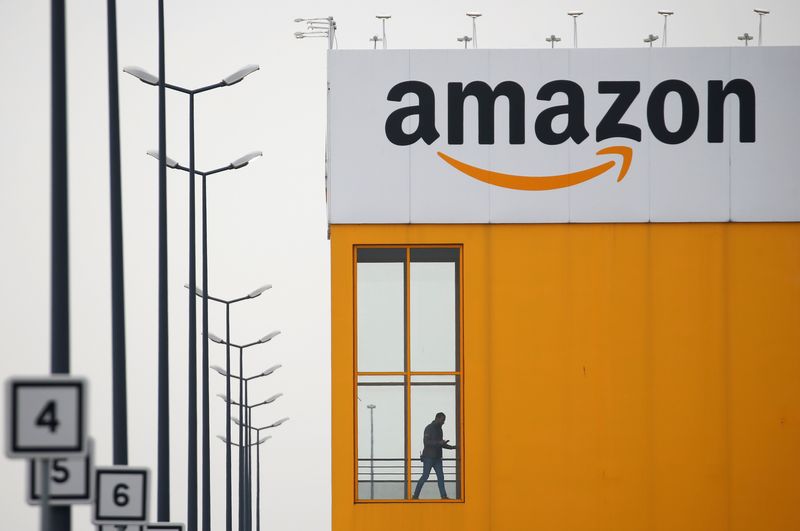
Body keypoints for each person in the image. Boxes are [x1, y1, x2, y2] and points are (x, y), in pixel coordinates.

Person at [412, 412, 456, 499]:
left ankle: (443, 496)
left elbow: (440, 444)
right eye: (442, 420)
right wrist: (439, 443)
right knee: (425, 476)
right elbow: (426, 442)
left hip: (437, 458)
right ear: (437, 418)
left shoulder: (439, 429)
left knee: (440, 477)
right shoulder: (429, 428)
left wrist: (452, 447)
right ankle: (415, 496)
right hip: (429, 457)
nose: (443, 422)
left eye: (444, 420)